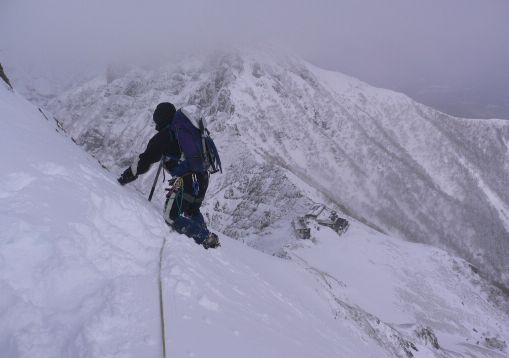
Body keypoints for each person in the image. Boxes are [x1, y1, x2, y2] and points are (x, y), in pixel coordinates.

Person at [118, 102, 220, 249]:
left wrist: (127, 176)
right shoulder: (186, 132)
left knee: (170, 216)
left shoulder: (165, 137)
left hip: (187, 180)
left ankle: (204, 237)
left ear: (160, 119)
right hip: (203, 177)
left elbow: (144, 161)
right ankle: (208, 238)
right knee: (192, 209)